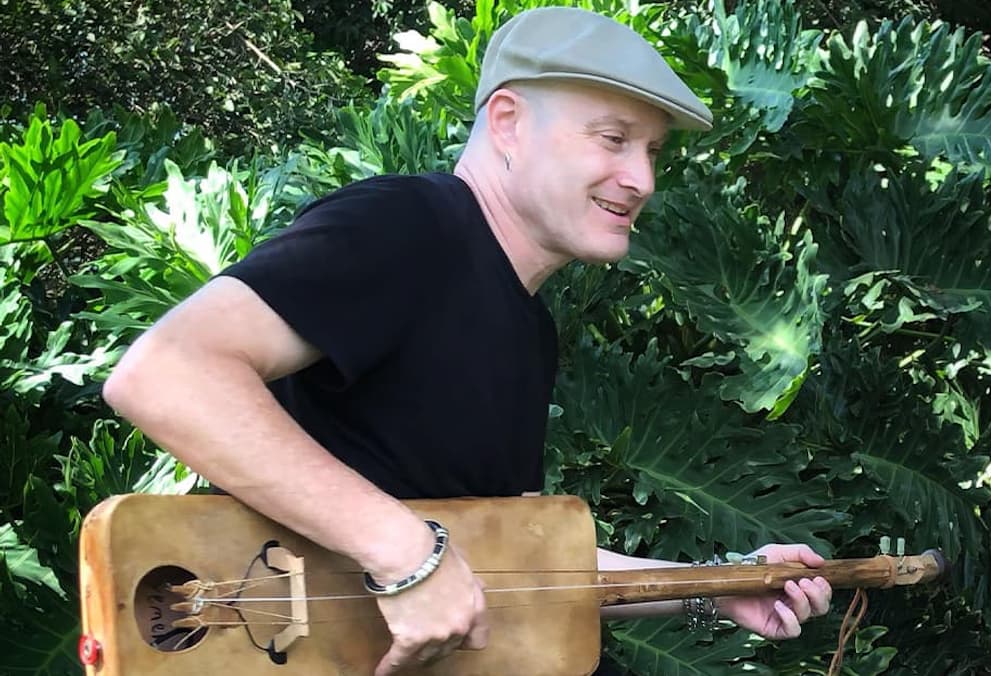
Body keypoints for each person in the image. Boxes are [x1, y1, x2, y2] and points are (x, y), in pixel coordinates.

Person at [101, 7, 832, 676]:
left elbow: (518, 566)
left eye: (653, 151)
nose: (640, 178)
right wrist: (405, 552)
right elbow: (167, 372)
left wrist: (715, 586)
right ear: (508, 123)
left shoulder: (526, 324)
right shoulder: (408, 227)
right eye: (613, 139)